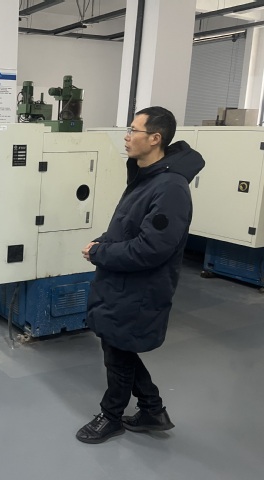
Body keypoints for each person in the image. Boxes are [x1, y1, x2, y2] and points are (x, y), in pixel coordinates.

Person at [76, 106, 205, 444]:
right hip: (121, 282)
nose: (127, 136)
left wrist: (101, 253)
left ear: (155, 138)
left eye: (134, 130)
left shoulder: (170, 188)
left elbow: (151, 248)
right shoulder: (146, 177)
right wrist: (102, 242)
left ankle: (111, 416)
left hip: (140, 287)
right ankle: (152, 409)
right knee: (117, 347)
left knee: (117, 352)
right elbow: (128, 228)